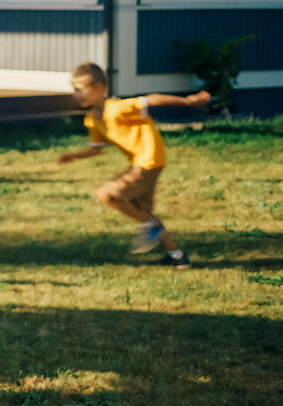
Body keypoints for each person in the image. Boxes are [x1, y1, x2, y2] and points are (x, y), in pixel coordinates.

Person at [56, 61, 209, 268]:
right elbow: (96, 149)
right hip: (142, 162)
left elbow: (152, 100)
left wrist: (189, 101)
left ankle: (150, 226)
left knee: (107, 194)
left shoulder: (117, 108)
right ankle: (177, 256)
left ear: (99, 88)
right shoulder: (92, 119)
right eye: (74, 90)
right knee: (141, 210)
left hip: (148, 159)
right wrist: (74, 156)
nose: (76, 95)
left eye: (80, 89)